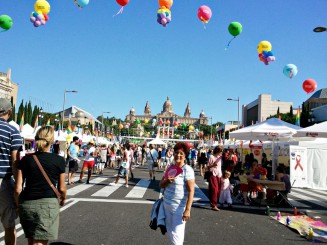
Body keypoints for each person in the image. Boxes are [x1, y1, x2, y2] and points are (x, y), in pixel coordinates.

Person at [14, 126, 66, 245]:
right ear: (52, 140)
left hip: (27, 203)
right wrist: (63, 198)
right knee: (40, 243)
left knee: (31, 241)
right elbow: (62, 188)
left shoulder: (26, 160)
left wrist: (18, 205)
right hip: (47, 204)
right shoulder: (58, 160)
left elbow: (18, 189)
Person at [159, 142, 195, 245]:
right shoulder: (171, 168)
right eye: (176, 152)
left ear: (185, 156)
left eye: (181, 153)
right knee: (171, 234)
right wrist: (167, 181)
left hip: (179, 208)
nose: (178, 155)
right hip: (166, 205)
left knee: (177, 238)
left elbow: (191, 191)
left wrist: (187, 210)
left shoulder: (187, 170)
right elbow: (161, 185)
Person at [0, 98, 23, 245]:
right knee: (9, 225)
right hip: (4, 181)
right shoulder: (12, 131)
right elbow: (15, 160)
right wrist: (18, 185)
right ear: (9, 112)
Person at [207, 145, 224, 211]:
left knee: (218, 190)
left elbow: (220, 167)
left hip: (219, 175)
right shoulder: (211, 157)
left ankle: (213, 202)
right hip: (213, 174)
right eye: (220, 151)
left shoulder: (220, 157)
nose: (221, 153)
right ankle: (214, 204)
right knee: (215, 189)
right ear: (217, 151)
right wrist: (213, 165)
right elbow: (208, 167)